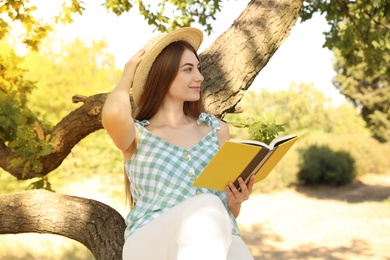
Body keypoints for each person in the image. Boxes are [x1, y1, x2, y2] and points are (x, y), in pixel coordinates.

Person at [102, 27, 255, 260]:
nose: (200, 77)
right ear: (163, 75)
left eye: (199, 69)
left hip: (215, 239)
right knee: (207, 204)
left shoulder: (216, 131)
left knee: (238, 251)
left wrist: (235, 202)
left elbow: (226, 213)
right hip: (152, 241)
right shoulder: (137, 134)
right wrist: (128, 75)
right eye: (188, 69)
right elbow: (113, 112)